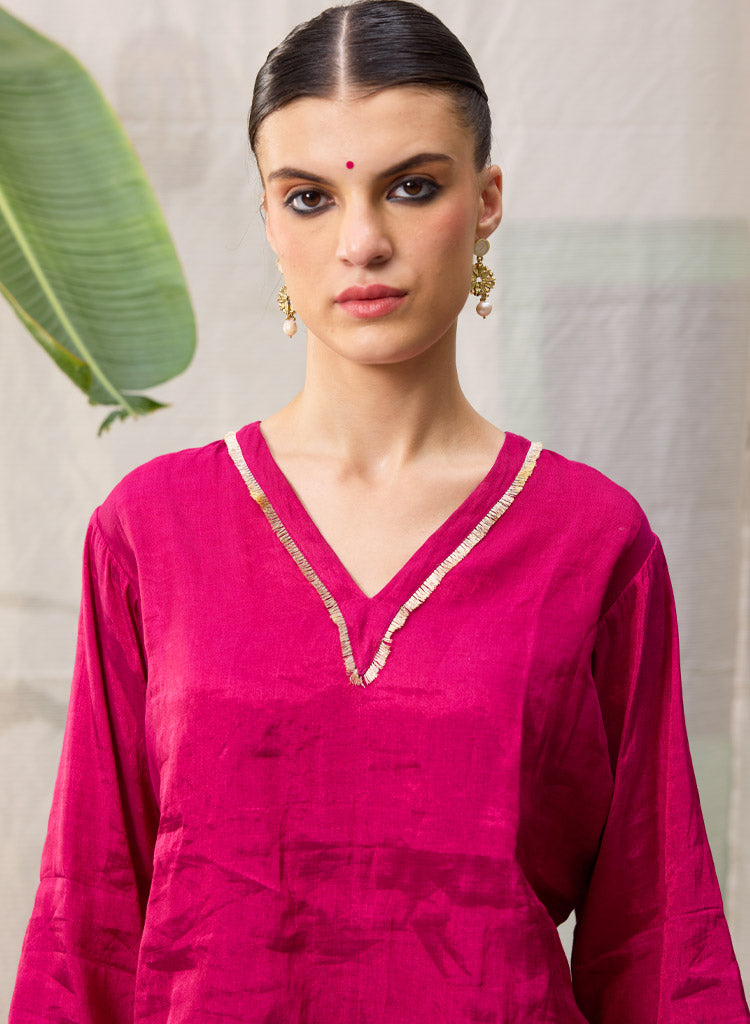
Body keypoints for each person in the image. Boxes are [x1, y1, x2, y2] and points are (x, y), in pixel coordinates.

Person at [9, 1, 749, 1021]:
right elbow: (85, 926)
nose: (361, 242)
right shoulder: (152, 532)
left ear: (486, 201)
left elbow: (658, 944)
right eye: (310, 198)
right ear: (268, 221)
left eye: (412, 187)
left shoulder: (591, 542)